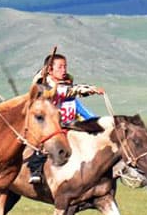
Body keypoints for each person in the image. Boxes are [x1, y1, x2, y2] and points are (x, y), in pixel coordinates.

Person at [28, 52, 104, 183]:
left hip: (70, 123)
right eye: (60, 67)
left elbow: (74, 94)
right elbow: (39, 80)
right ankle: (35, 171)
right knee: (43, 145)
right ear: (50, 70)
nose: (64, 70)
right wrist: (90, 89)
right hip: (51, 124)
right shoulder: (44, 86)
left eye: (65, 67)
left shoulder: (66, 90)